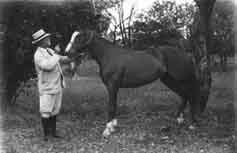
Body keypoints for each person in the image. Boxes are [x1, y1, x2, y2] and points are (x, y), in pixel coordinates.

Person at [32, 29, 71, 141]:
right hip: (47, 87)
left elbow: (61, 59)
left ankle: (53, 132)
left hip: (57, 85)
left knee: (54, 110)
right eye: (46, 38)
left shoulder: (49, 51)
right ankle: (46, 135)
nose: (49, 39)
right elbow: (48, 66)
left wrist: (73, 57)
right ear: (41, 41)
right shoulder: (38, 55)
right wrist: (57, 55)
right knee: (46, 111)